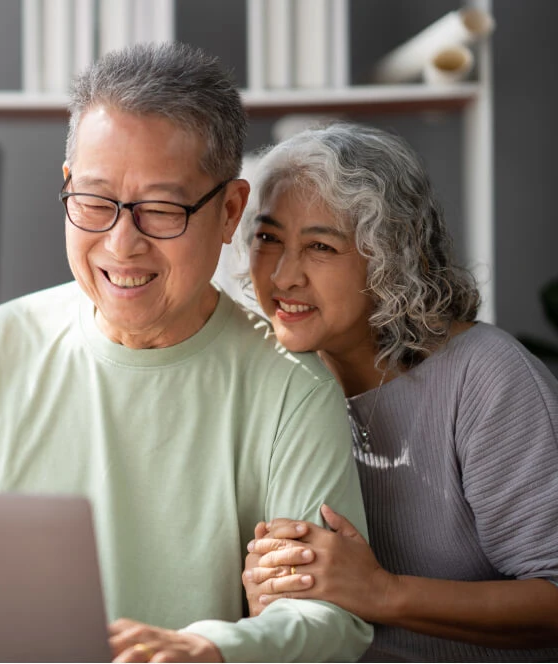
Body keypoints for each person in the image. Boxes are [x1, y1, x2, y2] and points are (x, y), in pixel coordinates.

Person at [0, 43, 372, 663]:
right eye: (95, 203)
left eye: (160, 209)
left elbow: (329, 617)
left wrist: (210, 649)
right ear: (67, 188)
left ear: (229, 212)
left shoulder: (290, 385)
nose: (122, 245)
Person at [236, 122, 558, 660]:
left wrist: (382, 593)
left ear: (391, 259)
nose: (284, 276)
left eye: (320, 246)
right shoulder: (273, 381)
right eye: (269, 239)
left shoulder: (486, 378)